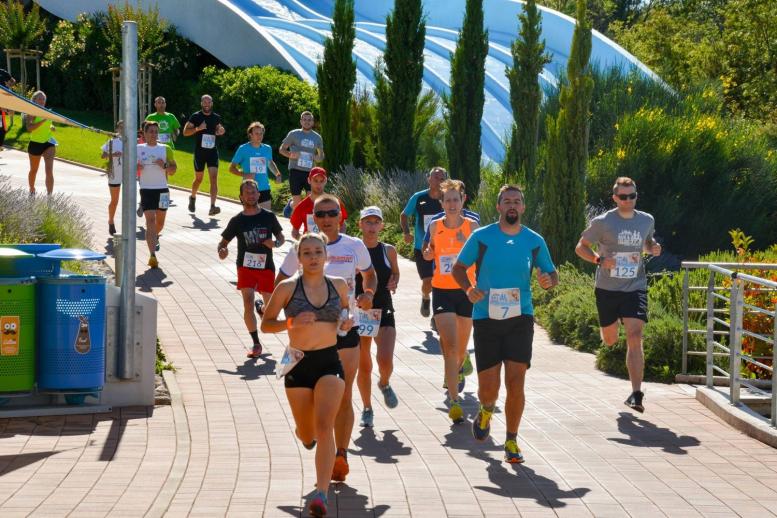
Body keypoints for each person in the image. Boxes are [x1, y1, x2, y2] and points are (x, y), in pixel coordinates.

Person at [453, 184, 558, 464]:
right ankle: (486, 410)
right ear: (499, 206)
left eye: (517, 201)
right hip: (486, 318)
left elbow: (551, 272)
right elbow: (458, 268)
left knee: (516, 381)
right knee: (489, 388)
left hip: (520, 317)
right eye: (507, 201)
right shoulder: (481, 237)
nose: (512, 205)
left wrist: (548, 280)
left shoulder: (534, 240)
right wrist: (469, 289)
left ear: (523, 207)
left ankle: (511, 440)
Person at [277, 194, 377, 483]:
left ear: (340, 216)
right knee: (309, 402)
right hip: (307, 339)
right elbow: (279, 284)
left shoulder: (354, 245)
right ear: (313, 218)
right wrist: (291, 319)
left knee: (344, 395)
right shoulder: (301, 248)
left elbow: (369, 275)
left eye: (332, 213)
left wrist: (368, 293)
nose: (326, 218)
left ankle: (340, 454)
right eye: (320, 214)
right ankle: (309, 434)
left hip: (345, 331)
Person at [261, 232, 352, 518]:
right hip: (297, 363)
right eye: (307, 253)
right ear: (299, 258)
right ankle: (305, 435)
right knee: (308, 432)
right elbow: (266, 325)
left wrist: (346, 324)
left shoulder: (338, 285)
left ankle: (321, 494)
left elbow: (346, 315)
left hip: (329, 362)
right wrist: (291, 322)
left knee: (325, 426)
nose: (313, 257)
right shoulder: (287, 287)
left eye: (318, 252)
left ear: (326, 256)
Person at [575, 177, 661, 413]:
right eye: (623, 197)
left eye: (632, 196)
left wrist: (652, 248)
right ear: (615, 198)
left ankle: (636, 393)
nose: (628, 200)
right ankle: (607, 332)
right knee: (611, 339)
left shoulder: (646, 220)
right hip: (607, 288)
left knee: (635, 335)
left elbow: (646, 243)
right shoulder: (603, 222)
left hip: (635, 286)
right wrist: (599, 259)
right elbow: (581, 247)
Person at [423, 179, 478, 423]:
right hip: (442, 290)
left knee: (460, 350)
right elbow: (429, 250)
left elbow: (482, 254)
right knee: (450, 346)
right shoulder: (435, 226)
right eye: (448, 200)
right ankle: (454, 402)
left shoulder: (472, 226)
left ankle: (461, 363)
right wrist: (428, 253)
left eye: (456, 199)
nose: (452, 204)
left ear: (463, 201)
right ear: (442, 203)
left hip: (466, 291)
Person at [218, 179, 285, 358]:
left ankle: (261, 308)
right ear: (241, 197)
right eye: (247, 193)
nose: (251, 195)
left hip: (266, 266)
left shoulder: (268, 216)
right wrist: (222, 251)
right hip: (245, 266)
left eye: (253, 192)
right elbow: (223, 243)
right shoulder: (237, 221)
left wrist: (275, 244)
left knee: (271, 308)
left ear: (259, 194)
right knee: (247, 303)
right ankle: (256, 343)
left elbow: (281, 238)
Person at [354, 206, 400, 428]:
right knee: (364, 365)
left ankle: (384, 382)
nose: (372, 227)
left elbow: (395, 272)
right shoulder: (353, 250)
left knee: (385, 360)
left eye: (376, 222)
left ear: (381, 225)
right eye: (368, 222)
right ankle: (367, 408)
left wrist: (394, 280)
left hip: (384, 308)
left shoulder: (388, 250)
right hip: (360, 312)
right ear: (360, 224)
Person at [401, 166, 446, 319]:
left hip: (443, 249)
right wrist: (406, 233)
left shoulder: (447, 199)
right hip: (422, 247)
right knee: (428, 282)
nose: (438, 181)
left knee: (441, 283)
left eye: (442, 178)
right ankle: (426, 297)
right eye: (435, 177)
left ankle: (437, 316)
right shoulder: (419, 197)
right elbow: (404, 215)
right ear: (429, 179)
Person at [137, 121, 177, 268]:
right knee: (150, 222)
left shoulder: (165, 149)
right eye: (151, 131)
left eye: (156, 131)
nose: (154, 134)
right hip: (146, 189)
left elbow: (173, 170)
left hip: (162, 190)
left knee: (160, 224)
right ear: (145, 133)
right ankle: (152, 255)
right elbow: (130, 168)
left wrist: (164, 165)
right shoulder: (138, 149)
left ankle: (154, 237)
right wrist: (136, 167)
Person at [183, 94, 225, 216]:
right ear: (201, 103)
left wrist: (221, 131)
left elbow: (218, 129)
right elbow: (185, 132)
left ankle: (212, 206)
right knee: (199, 179)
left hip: (212, 152)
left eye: (209, 102)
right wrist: (198, 128)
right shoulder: (196, 116)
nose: (207, 104)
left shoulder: (216, 117)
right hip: (200, 153)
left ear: (212, 103)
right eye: (204, 102)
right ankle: (192, 197)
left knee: (213, 178)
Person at [228, 121, 281, 211]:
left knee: (265, 215)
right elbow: (231, 168)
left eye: (261, 133)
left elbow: (270, 162)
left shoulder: (267, 148)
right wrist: (245, 175)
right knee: (250, 215)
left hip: (264, 187)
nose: (259, 136)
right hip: (248, 188)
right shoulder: (243, 149)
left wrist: (277, 174)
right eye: (256, 133)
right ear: (250, 135)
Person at [279, 111, 324, 215]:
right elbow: (282, 149)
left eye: (309, 120)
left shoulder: (317, 137)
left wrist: (317, 157)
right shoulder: (293, 134)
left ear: (313, 122)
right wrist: (291, 155)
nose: (307, 122)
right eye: (304, 119)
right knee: (297, 203)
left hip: (310, 173)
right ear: (301, 121)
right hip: (295, 170)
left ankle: (304, 221)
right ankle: (291, 205)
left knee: (310, 202)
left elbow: (321, 156)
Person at [289, 167, 347, 239]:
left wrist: (338, 241)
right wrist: (306, 242)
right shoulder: (301, 206)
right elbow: (294, 232)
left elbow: (342, 225)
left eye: (321, 181)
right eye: (315, 181)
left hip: (332, 244)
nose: (318, 184)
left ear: (326, 181)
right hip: (312, 244)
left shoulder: (334, 202)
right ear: (309, 180)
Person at [25, 91, 56, 196]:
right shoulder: (32, 112)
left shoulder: (47, 112)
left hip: (49, 143)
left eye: (43, 99)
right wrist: (43, 121)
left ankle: (50, 196)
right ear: (34, 100)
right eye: (39, 99)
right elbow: (29, 128)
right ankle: (32, 188)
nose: (42, 101)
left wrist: (51, 127)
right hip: (35, 144)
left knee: (49, 170)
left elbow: (48, 124)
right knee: (34, 170)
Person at [100, 120, 124, 235]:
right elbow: (103, 155)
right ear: (117, 129)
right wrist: (114, 154)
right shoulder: (112, 141)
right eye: (121, 127)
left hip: (128, 174)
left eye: (125, 127)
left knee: (131, 199)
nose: (123, 129)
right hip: (115, 174)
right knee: (115, 200)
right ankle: (111, 221)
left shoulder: (133, 141)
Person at [0, 68, 16, 150]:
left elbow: (13, 81)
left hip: (3, 101)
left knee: (2, 129)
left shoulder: (2, 72)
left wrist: (9, 85)